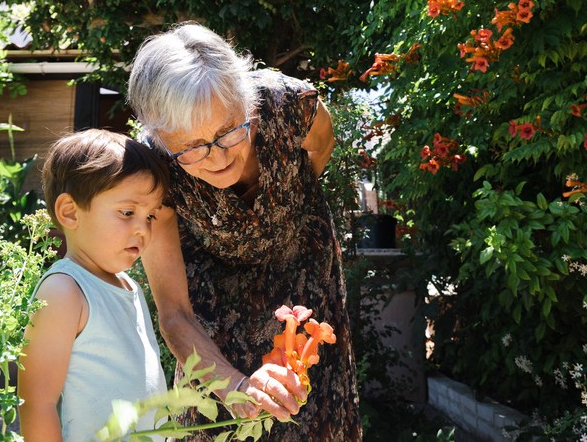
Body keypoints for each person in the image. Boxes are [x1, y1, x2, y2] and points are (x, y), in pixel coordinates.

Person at [128, 22, 362, 441]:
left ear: (247, 102)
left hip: (305, 307)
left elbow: (320, 148)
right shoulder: (153, 167)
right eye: (192, 148)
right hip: (214, 334)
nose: (216, 159)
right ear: (163, 140)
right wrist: (235, 387)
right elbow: (174, 314)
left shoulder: (287, 103)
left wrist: (283, 216)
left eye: (227, 132)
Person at [18, 129, 170, 442]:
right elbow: (37, 404)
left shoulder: (129, 286)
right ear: (70, 212)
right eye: (128, 212)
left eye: (151, 216)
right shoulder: (65, 291)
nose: (142, 228)